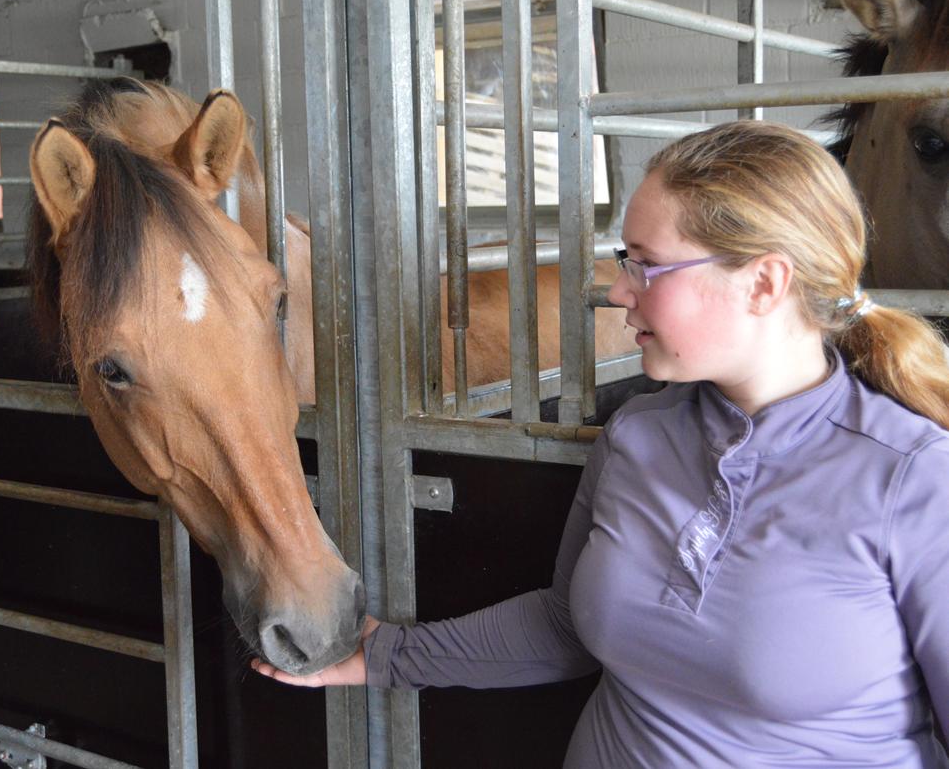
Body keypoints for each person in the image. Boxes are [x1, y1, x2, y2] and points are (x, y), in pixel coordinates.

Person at [252, 120, 949, 767]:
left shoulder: (916, 479)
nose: (618, 292)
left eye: (647, 265)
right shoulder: (639, 436)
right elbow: (564, 626)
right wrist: (384, 656)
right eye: (625, 260)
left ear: (764, 282)